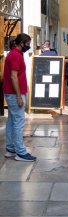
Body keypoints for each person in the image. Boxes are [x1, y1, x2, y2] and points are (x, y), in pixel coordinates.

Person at [3, 33, 37, 162]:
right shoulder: (16, 55)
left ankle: (10, 149)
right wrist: (19, 96)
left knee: (12, 121)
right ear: (21, 43)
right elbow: (13, 76)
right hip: (14, 94)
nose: (28, 46)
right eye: (27, 44)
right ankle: (20, 152)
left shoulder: (14, 54)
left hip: (11, 93)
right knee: (18, 122)